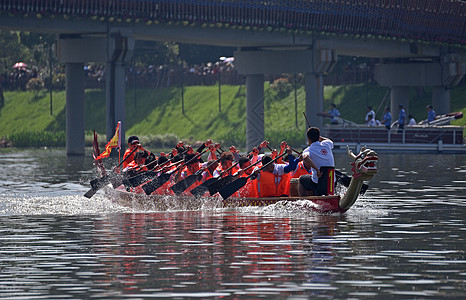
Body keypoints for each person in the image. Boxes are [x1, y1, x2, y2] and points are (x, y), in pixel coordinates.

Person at [298, 127, 335, 197]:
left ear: (308, 139)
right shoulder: (327, 144)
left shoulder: (308, 150)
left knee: (301, 179)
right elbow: (330, 141)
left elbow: (305, 157)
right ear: (318, 137)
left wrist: (317, 170)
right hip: (332, 183)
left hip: (318, 184)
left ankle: (302, 200)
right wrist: (320, 138)